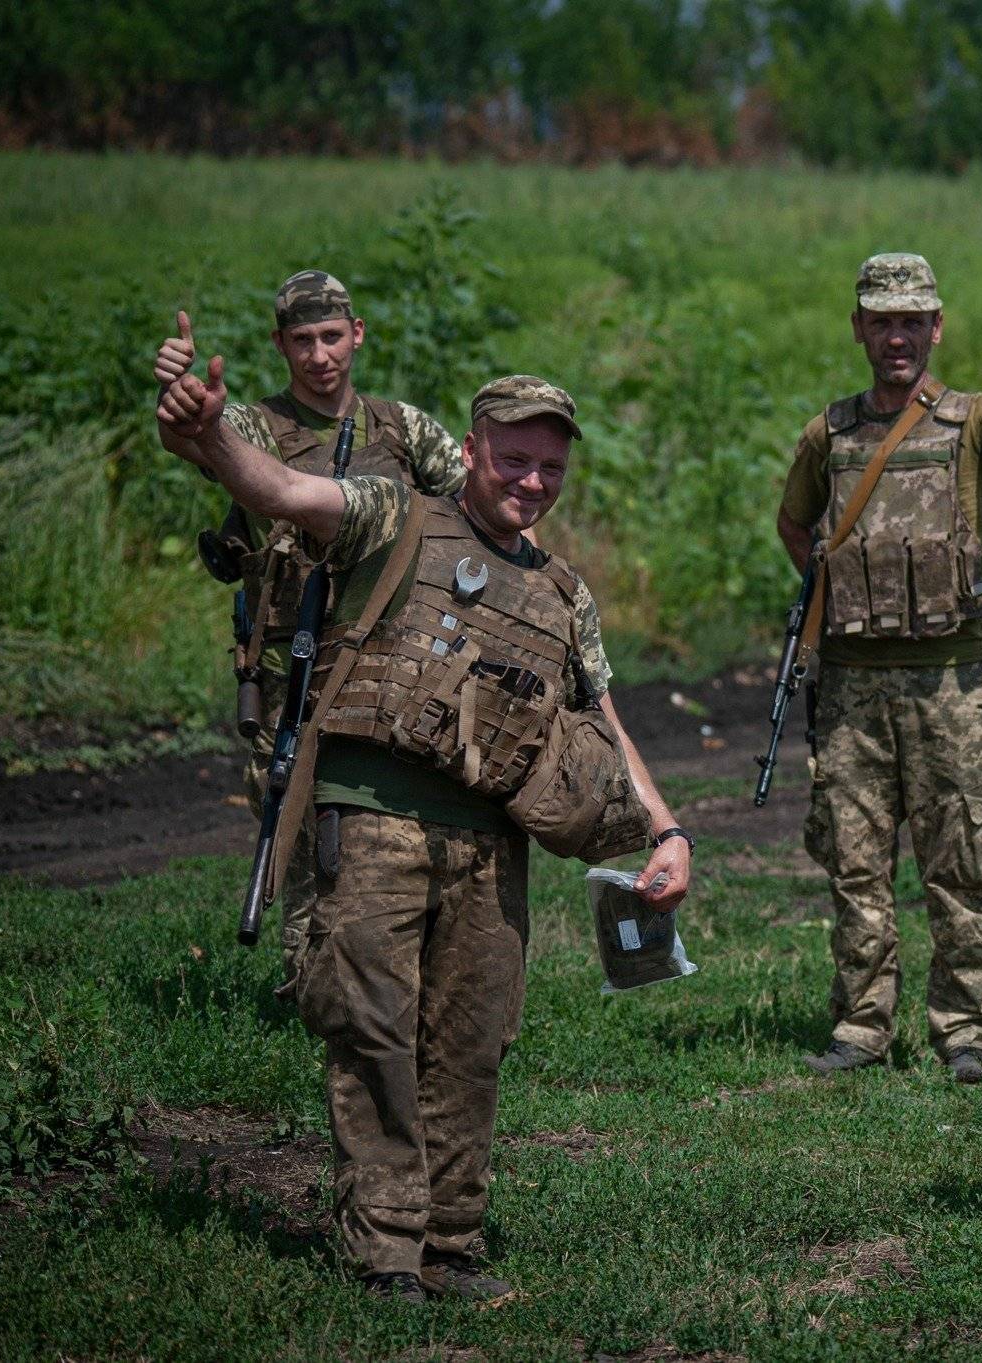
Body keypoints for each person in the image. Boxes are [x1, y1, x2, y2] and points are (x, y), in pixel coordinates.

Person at [156, 361, 693, 1303]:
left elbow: (603, 719)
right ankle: (387, 1251)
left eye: (550, 469)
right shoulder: (391, 514)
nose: (531, 482)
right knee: (372, 1033)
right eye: (515, 459)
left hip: (490, 844)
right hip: (369, 820)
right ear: (473, 448)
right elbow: (276, 487)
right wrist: (208, 432)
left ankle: (451, 1242)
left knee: (472, 1041)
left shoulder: (564, 594)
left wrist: (665, 827)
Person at [775, 253, 982, 1084]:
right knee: (856, 859)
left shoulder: (970, 421)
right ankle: (861, 1025)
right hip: (849, 685)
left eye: (912, 320)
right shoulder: (831, 434)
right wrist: (843, 591)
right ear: (859, 328)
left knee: (960, 858)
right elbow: (796, 528)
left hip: (949, 685)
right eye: (881, 320)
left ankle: (965, 1032)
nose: (896, 336)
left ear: (936, 327)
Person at [153, 271, 470, 983]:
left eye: (332, 336)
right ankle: (310, 982)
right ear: (279, 345)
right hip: (288, 665)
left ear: (357, 334)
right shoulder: (256, 425)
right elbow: (196, 442)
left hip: (392, 662)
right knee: (293, 825)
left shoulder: (404, 427)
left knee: (389, 827)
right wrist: (179, 409)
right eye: (303, 340)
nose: (320, 354)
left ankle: (394, 969)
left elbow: (472, 511)